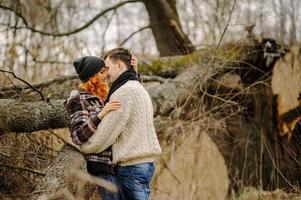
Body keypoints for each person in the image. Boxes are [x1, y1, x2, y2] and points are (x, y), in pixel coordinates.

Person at [79, 48, 162, 200]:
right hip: (144, 165)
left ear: (119, 65)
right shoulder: (138, 88)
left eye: (108, 68)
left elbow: (106, 134)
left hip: (131, 168)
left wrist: (84, 146)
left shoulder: (123, 92)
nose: (105, 73)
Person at [64, 55, 137, 200]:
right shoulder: (78, 98)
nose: (106, 75)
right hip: (100, 168)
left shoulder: (101, 95)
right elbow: (77, 136)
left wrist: (134, 71)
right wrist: (101, 115)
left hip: (116, 165)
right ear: (92, 75)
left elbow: (129, 91)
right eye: (102, 72)